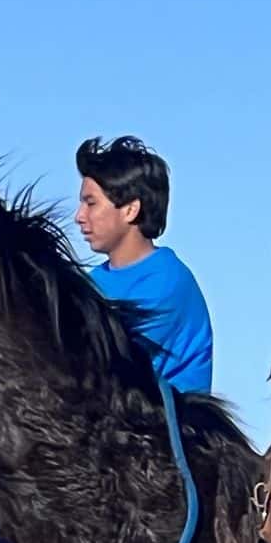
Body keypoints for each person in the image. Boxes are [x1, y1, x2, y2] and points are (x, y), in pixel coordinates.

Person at [76, 135, 213, 393]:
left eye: (91, 203)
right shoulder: (91, 283)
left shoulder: (168, 283)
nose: (79, 217)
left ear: (130, 210)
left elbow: (105, 365)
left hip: (167, 429)